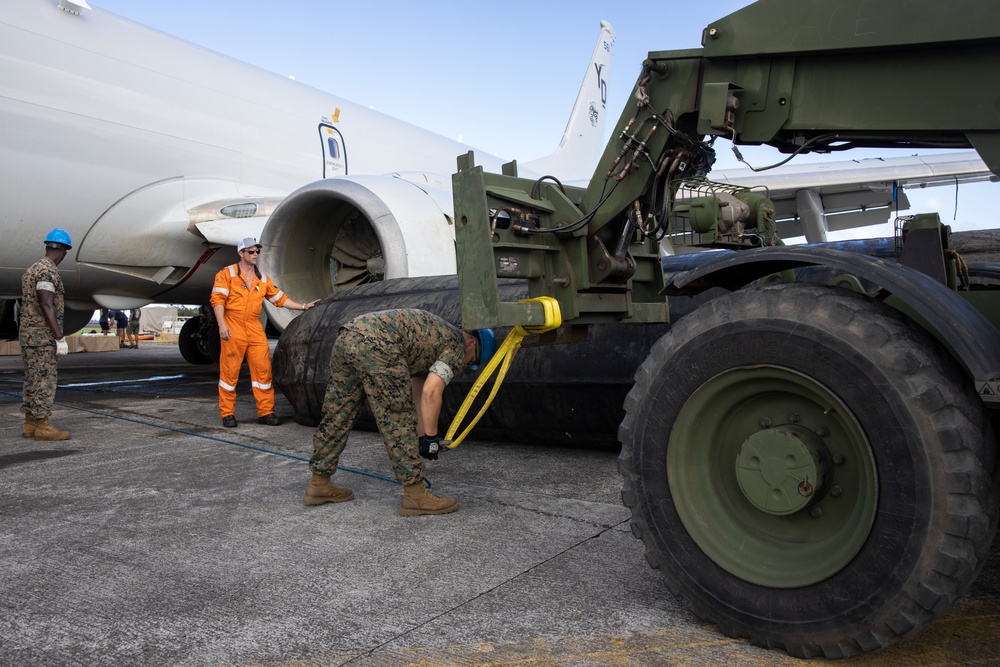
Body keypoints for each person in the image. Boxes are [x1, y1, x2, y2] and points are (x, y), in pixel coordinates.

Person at [303, 308, 496, 517]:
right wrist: (432, 438)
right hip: (379, 344)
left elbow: (418, 387)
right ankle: (415, 495)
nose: (466, 364)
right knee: (397, 418)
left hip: (349, 334)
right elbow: (432, 390)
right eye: (472, 359)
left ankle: (319, 483)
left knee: (339, 412)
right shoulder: (457, 346)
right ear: (471, 343)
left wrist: (422, 435)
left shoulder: (435, 336)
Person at [211, 237, 318, 428]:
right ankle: (227, 413)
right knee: (229, 373)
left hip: (254, 328)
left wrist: (303, 306)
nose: (255, 255)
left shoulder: (263, 279)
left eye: (257, 251)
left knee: (263, 373)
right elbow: (217, 300)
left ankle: (266, 412)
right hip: (233, 326)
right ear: (241, 253)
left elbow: (280, 299)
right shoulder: (226, 274)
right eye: (251, 251)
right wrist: (222, 325)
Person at [19, 228, 73, 441]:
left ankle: (30, 422)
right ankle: (42, 425)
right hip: (42, 338)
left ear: (48, 247)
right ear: (64, 252)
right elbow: (46, 304)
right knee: (44, 380)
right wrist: (59, 337)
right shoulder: (47, 272)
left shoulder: (32, 269)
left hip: (28, 336)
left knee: (31, 378)